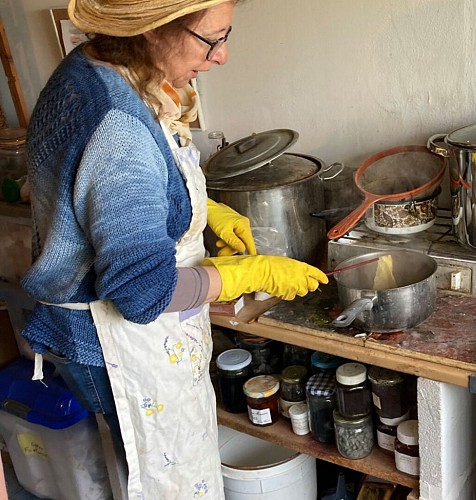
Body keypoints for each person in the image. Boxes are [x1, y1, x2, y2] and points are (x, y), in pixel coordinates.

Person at [20, 0, 328, 497]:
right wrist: (248, 275)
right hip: (114, 342)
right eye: (213, 39)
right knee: (165, 480)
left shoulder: (94, 67)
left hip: (96, 327)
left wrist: (205, 213)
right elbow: (143, 295)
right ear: (151, 29)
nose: (222, 56)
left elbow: (122, 195)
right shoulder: (117, 125)